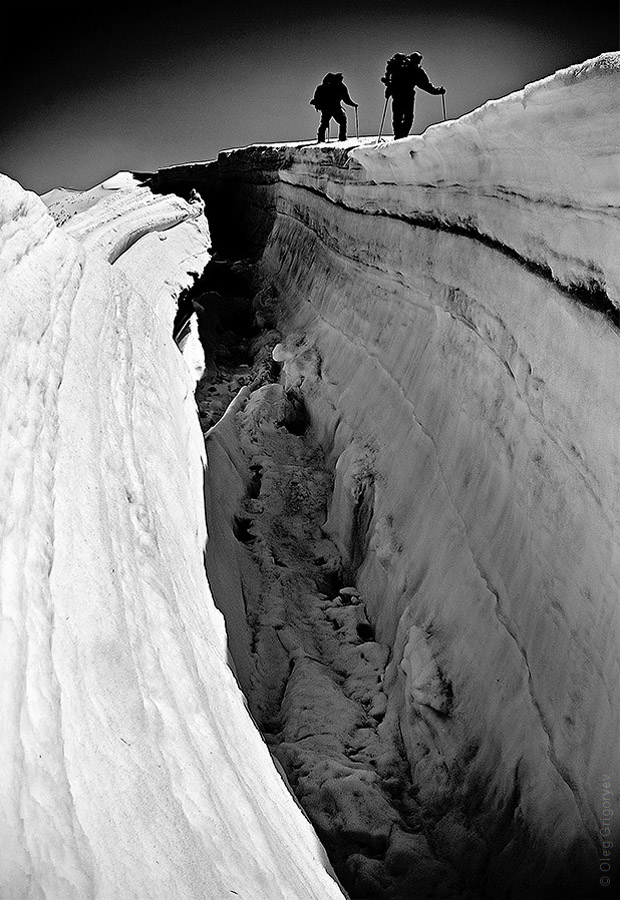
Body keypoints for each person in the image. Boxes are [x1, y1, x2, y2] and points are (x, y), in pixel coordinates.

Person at [382, 52, 445, 139]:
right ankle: (401, 137)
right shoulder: (416, 71)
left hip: (398, 95)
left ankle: (399, 136)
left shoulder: (404, 68)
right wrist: (437, 91)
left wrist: (388, 88)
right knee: (406, 117)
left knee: (399, 117)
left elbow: (391, 80)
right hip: (407, 96)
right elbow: (426, 86)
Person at [310, 72, 358, 143]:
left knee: (324, 123)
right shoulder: (341, 87)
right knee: (342, 121)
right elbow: (346, 99)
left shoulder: (323, 87)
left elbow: (317, 98)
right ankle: (342, 137)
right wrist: (353, 105)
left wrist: (316, 103)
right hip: (335, 108)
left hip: (326, 108)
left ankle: (321, 139)